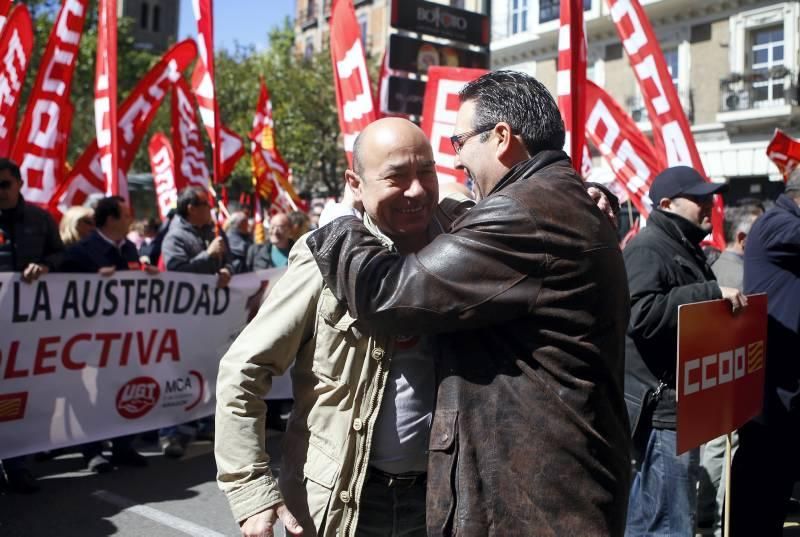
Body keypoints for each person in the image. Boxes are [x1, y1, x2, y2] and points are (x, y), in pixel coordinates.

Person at [305, 71, 632, 536]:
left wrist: (338, 225)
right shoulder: (559, 197)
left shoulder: (523, 214)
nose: (457, 161)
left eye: (459, 142)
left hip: (539, 506)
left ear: (500, 138)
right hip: (563, 492)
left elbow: (388, 294)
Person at [216, 117, 471, 537]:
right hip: (342, 505)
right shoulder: (322, 258)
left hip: (444, 498)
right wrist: (252, 492)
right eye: (396, 177)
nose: (416, 190)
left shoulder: (464, 247)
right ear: (355, 182)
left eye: (426, 171)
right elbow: (242, 372)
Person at [622, 166, 747, 537]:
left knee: (650, 515)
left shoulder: (682, 246)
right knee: (669, 521)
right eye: (699, 199)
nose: (709, 205)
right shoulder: (647, 247)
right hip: (662, 409)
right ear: (666, 204)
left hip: (681, 403)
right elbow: (639, 314)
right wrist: (710, 294)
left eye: (710, 197)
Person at [60, 196, 154, 472]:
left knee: (125, 388)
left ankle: (122, 446)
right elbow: (63, 289)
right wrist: (92, 281)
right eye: (125, 215)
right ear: (111, 219)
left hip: (126, 337)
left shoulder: (129, 250)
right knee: (92, 394)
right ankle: (92, 450)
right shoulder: (82, 251)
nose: (130, 220)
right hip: (91, 338)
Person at [730, 172, 800, 537]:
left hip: (786, 379)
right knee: (761, 484)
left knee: (775, 486)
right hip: (771, 383)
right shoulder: (777, 223)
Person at [696, 204, 762, 535]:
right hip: (729, 371)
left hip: (717, 371)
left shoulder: (718, 266)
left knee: (715, 445)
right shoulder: (737, 274)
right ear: (742, 237)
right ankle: (716, 514)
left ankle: (708, 512)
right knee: (723, 446)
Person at [0, 158, 63, 494]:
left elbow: (60, 254)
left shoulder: (40, 219)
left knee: (20, 394)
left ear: (19, 183)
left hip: (28, 325)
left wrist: (44, 266)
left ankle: (18, 463)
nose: (1, 192)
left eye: (4, 184)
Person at [160, 186, 233, 457]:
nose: (210, 209)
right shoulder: (175, 236)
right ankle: (172, 432)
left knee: (209, 370)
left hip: (211, 317)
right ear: (191, 208)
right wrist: (209, 257)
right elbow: (177, 272)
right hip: (187, 320)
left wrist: (226, 268)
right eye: (205, 204)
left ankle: (203, 422)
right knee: (182, 373)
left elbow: (232, 260)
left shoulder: (214, 231)